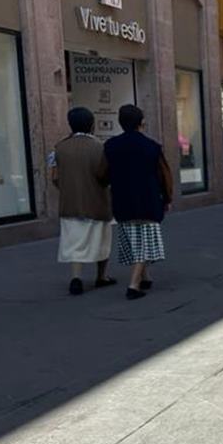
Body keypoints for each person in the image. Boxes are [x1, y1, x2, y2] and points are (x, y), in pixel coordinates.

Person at [104, 105, 173, 300]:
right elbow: (164, 175)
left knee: (134, 239)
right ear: (141, 122)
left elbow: (103, 172)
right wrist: (167, 197)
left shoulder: (111, 145)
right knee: (146, 243)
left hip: (122, 200)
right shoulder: (152, 146)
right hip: (148, 199)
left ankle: (145, 276)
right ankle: (133, 285)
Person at [52, 107, 115, 295]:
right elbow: (105, 175)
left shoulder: (59, 147)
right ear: (91, 124)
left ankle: (76, 277)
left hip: (70, 204)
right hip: (96, 202)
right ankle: (101, 276)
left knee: (74, 242)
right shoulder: (100, 147)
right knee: (102, 240)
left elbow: (54, 177)